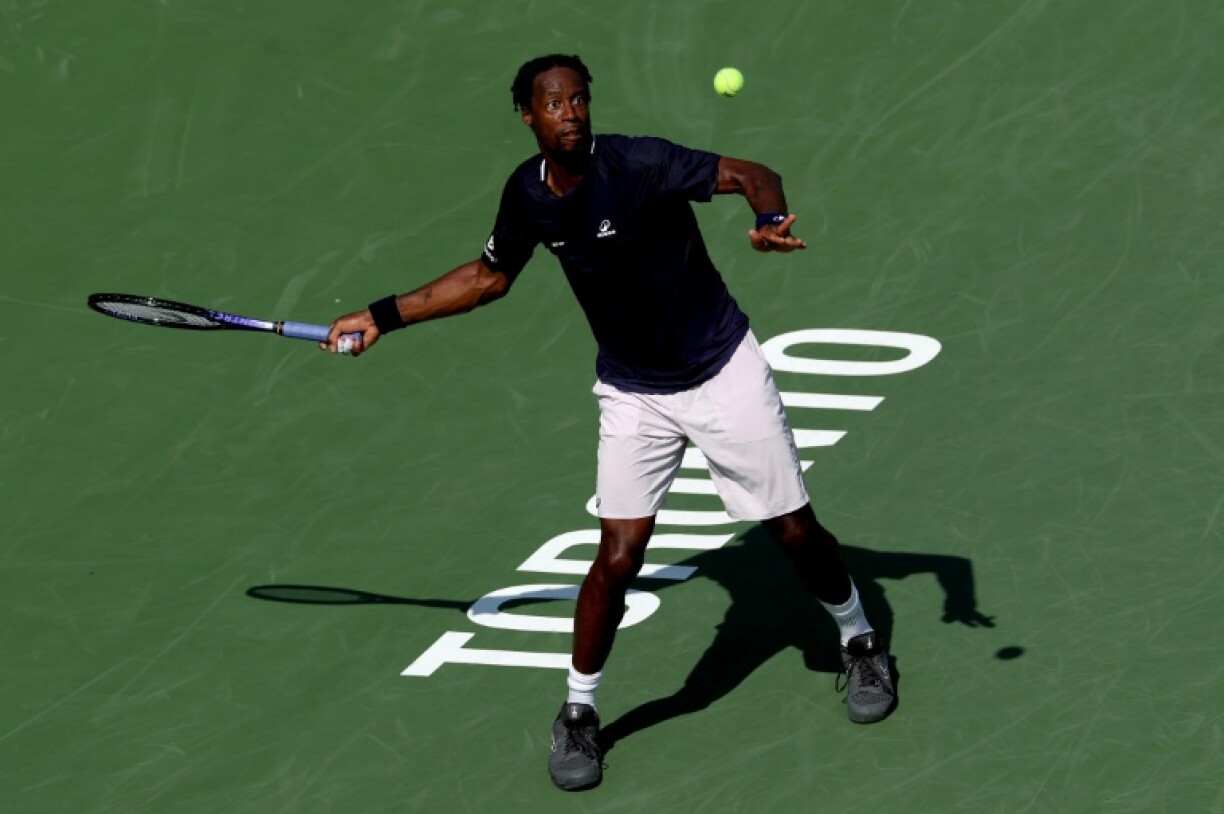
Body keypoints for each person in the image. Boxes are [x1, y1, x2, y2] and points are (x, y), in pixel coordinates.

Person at [323, 53, 896, 792]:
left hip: (721, 370)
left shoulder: (641, 164)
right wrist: (381, 316)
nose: (569, 113)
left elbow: (753, 173)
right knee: (618, 555)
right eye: (552, 103)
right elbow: (488, 278)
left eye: (578, 100)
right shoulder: (528, 195)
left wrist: (766, 218)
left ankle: (860, 640)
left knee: (789, 527)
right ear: (527, 116)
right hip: (634, 392)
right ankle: (579, 713)